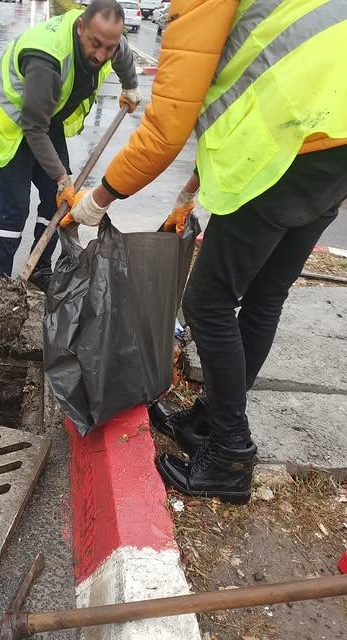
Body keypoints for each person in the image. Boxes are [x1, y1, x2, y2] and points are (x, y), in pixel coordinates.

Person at [64, 0, 347, 504]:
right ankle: (213, 420)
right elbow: (241, 89)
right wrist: (189, 191)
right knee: (264, 295)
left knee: (208, 302)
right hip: (333, 142)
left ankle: (230, 455)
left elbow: (165, 130)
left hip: (288, 145)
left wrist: (97, 200)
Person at [0, 0, 140, 291]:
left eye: (109, 47)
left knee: (58, 200)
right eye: (95, 45)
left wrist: (130, 87)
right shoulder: (47, 59)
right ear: (81, 28)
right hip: (13, 121)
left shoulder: (108, 39)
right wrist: (62, 178)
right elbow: (33, 127)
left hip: (44, 117)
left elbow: (123, 55)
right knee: (14, 207)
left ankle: (40, 267)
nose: (102, 55)